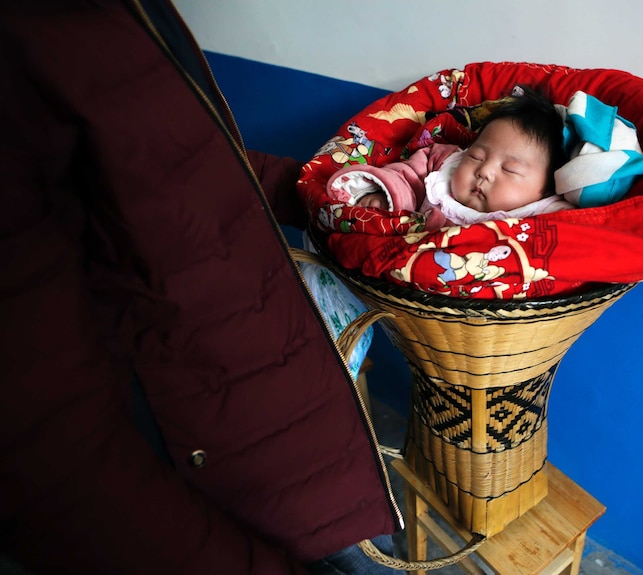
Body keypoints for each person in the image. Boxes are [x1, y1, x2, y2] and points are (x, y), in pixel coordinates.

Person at [0, 1, 402, 574]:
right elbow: (56, 455)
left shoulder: (123, 18)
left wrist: (344, 202)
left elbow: (199, 167)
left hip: (285, 415)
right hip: (208, 460)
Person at [327, 85, 573, 230]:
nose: (484, 171)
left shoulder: (546, 215)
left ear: (546, 188)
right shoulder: (445, 163)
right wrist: (384, 197)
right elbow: (408, 177)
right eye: (477, 156)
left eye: (509, 169)